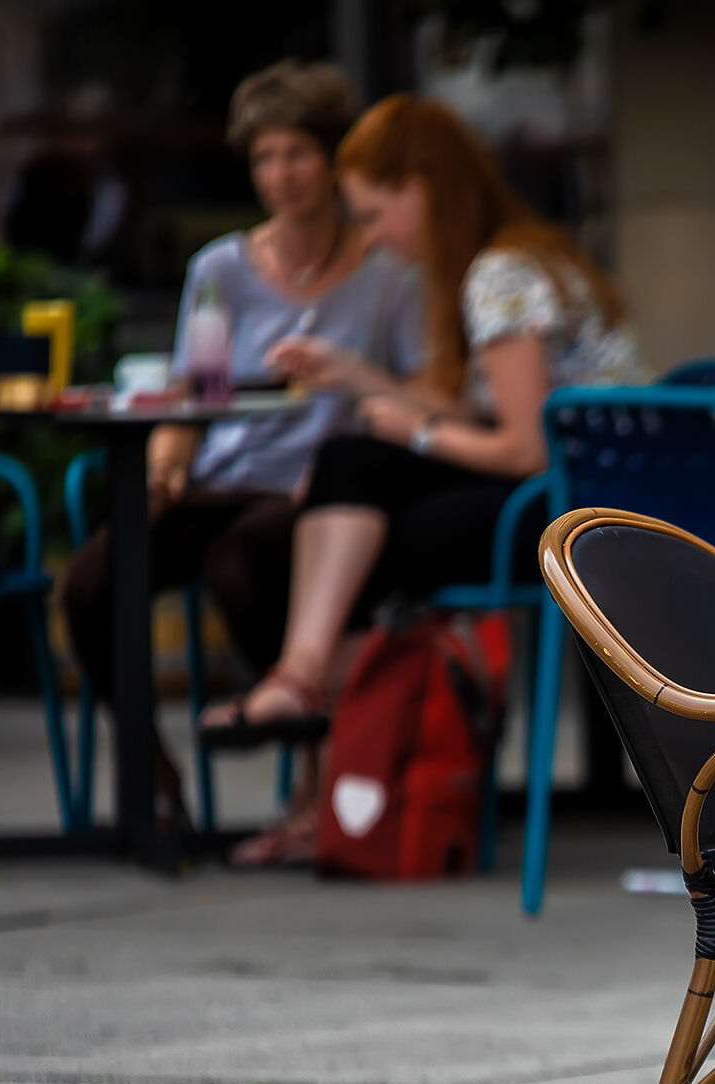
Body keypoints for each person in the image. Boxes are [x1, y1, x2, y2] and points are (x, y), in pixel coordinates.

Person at [205, 95, 640, 761]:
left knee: (356, 538)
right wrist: (359, 378)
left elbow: (525, 450)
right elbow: (486, 415)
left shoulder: (498, 275)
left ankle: (330, 706)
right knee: (350, 466)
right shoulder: (512, 256)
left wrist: (418, 435)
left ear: (420, 188)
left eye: (374, 214)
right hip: (588, 492)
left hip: (577, 512)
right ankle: (319, 702)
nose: (371, 237)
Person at [61, 60, 423, 827]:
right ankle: (153, 777)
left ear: (333, 160)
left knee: (244, 560)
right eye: (263, 158)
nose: (279, 175)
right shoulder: (221, 269)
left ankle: (323, 762)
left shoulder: (388, 275)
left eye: (297, 154)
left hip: (317, 493)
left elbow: (417, 395)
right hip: (219, 480)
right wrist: (166, 466)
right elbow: (196, 397)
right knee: (91, 582)